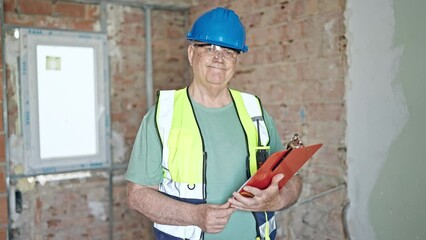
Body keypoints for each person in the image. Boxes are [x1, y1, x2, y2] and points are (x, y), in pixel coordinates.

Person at [125, 7, 302, 240]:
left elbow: (292, 179)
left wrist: (278, 199)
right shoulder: (162, 116)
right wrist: (194, 214)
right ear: (191, 54)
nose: (219, 58)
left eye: (229, 52)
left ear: (236, 60)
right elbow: (137, 194)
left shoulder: (254, 110)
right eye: (209, 48)